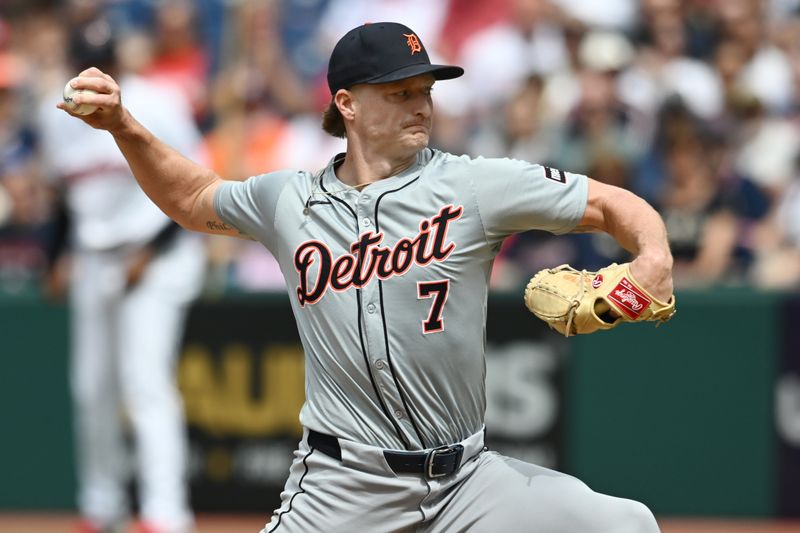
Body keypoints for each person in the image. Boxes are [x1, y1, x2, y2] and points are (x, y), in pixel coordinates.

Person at [60, 21, 673, 533]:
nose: (420, 104)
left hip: (468, 482)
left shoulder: (472, 185)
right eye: (399, 92)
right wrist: (124, 128)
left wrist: (652, 257)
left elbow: (612, 205)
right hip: (342, 487)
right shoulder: (289, 202)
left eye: (424, 89)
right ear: (347, 104)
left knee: (627, 525)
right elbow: (193, 197)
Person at [41, 17, 205, 533]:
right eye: (85, 62)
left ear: (118, 64)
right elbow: (65, 196)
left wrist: (151, 252)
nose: (95, 71)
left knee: (145, 384)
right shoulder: (57, 114)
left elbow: (195, 187)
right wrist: (57, 258)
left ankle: (165, 514)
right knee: (92, 388)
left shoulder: (157, 102)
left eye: (104, 61)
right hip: (95, 258)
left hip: (157, 253)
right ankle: (101, 506)